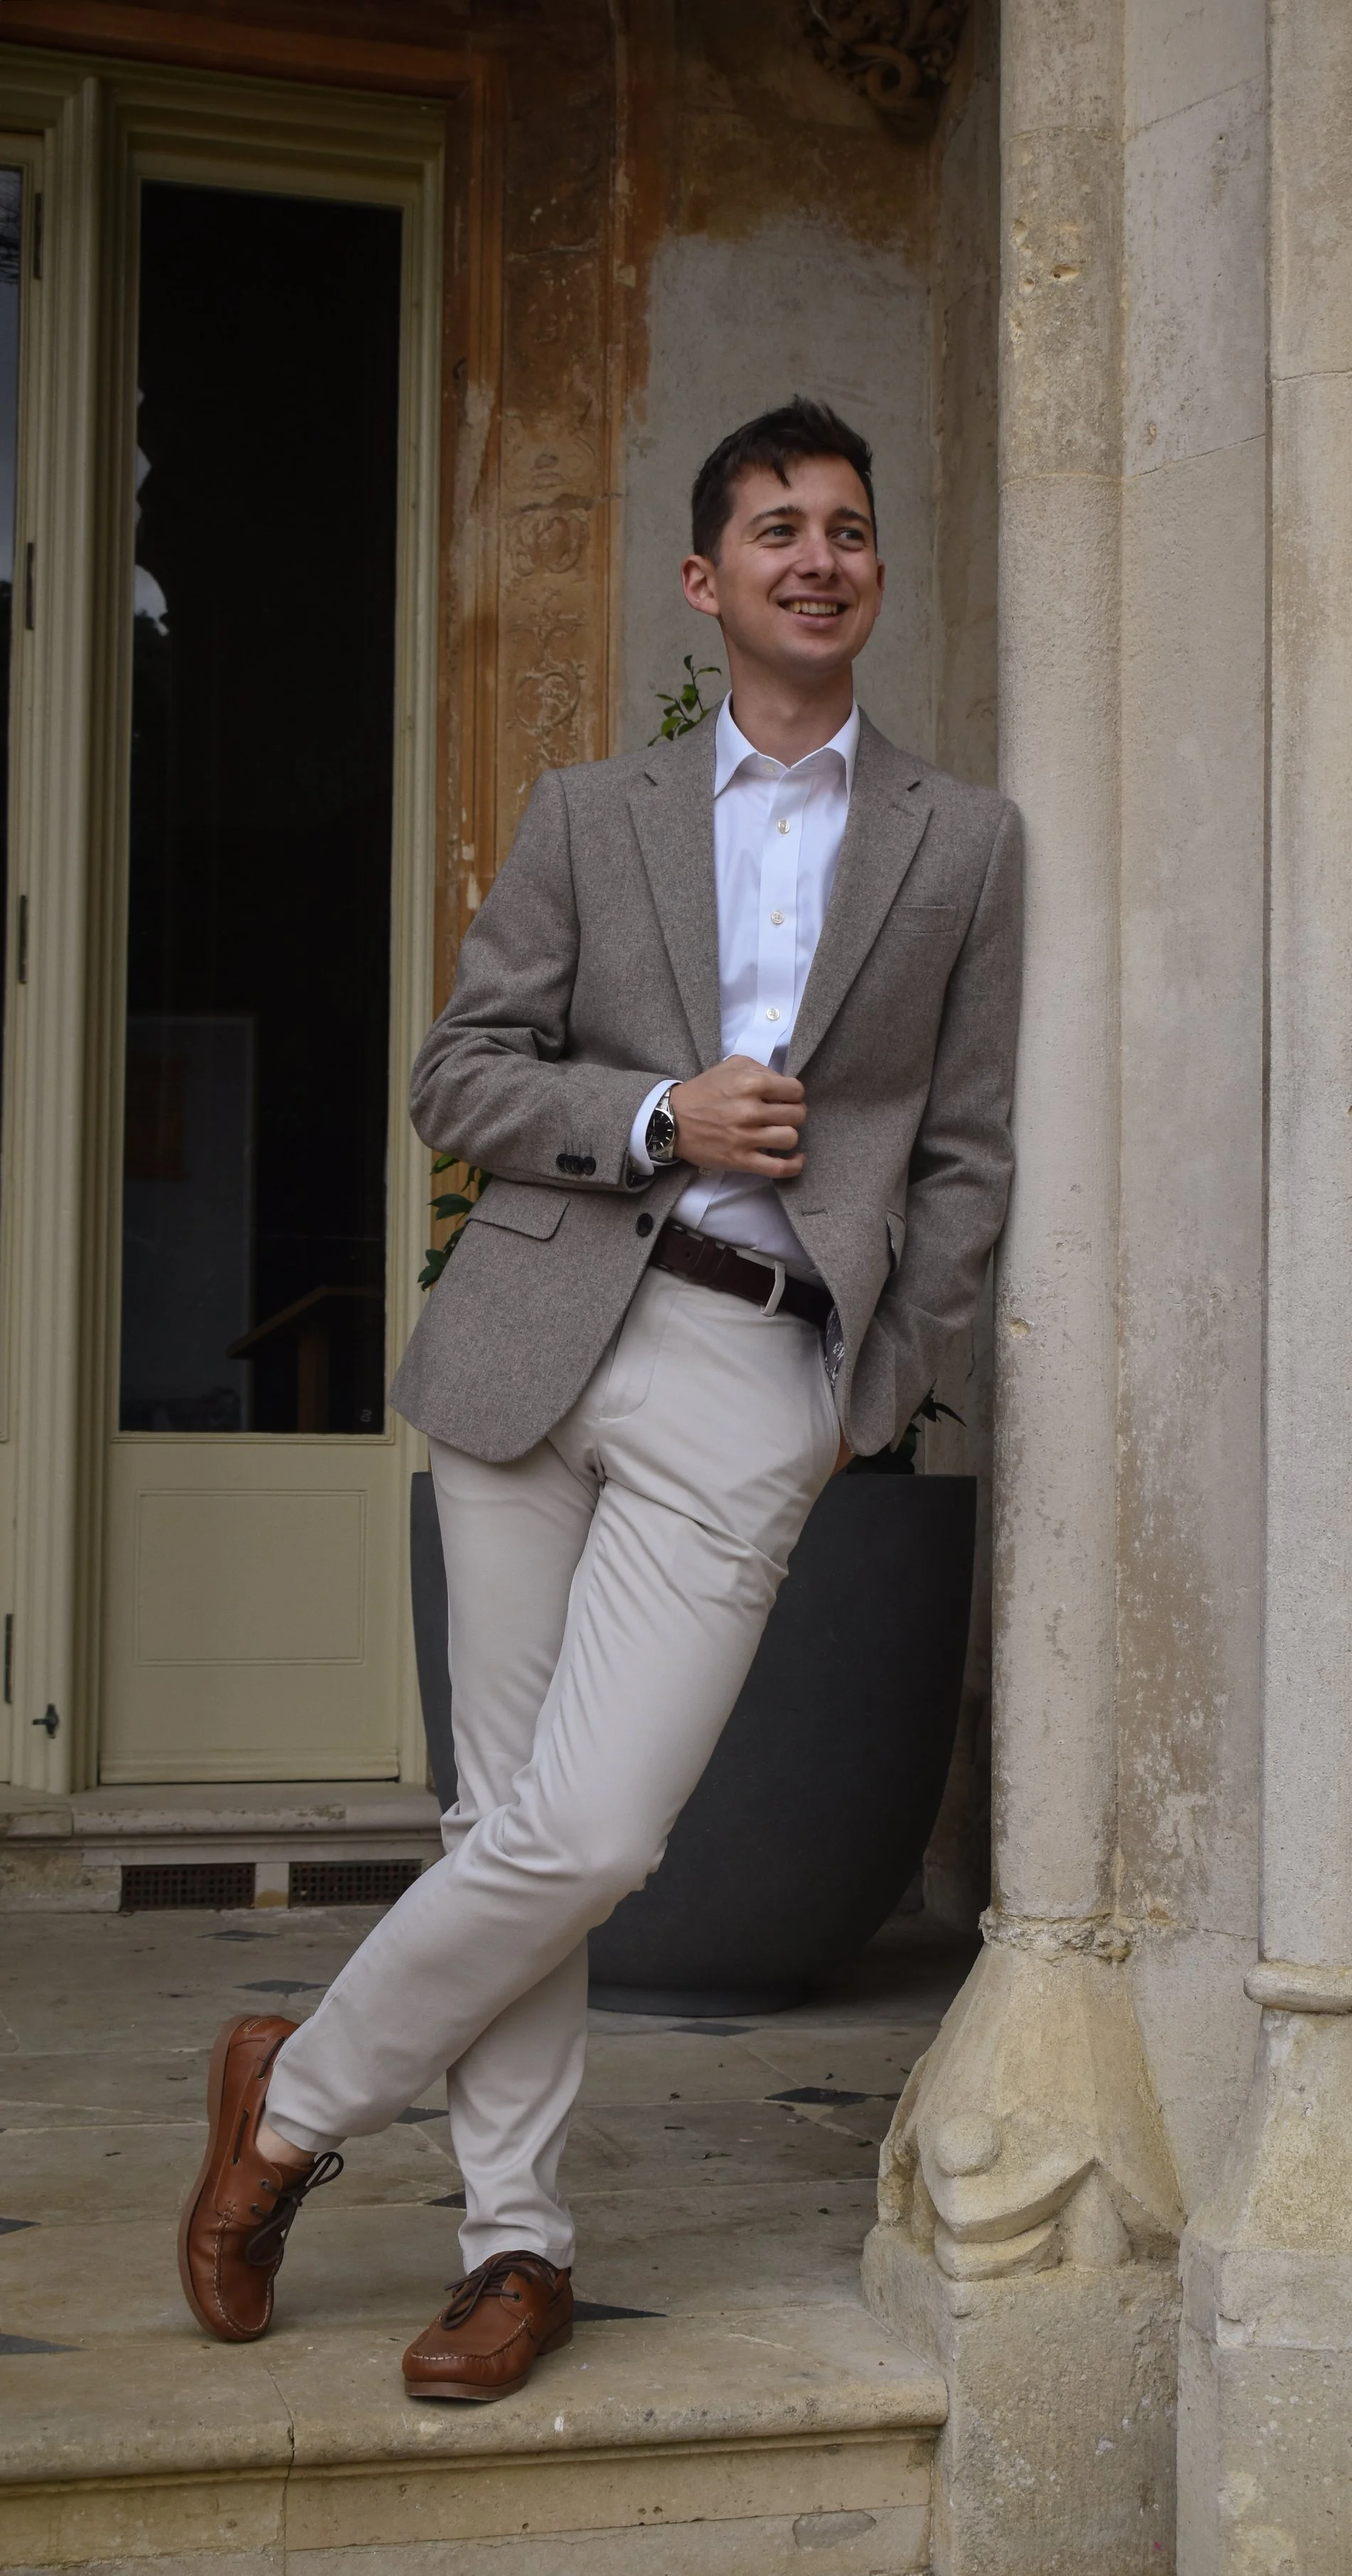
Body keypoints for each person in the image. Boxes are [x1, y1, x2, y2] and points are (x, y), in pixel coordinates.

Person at [176, 397, 1023, 2402]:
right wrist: (655, 1111)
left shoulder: (961, 843)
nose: (818, 555)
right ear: (702, 579)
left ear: (871, 567)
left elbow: (968, 1157)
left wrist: (861, 1392)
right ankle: (514, 2250)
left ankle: (285, 2102)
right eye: (775, 527)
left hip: (754, 1364)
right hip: (532, 1334)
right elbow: (458, 1075)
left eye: (847, 526)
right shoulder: (593, 815)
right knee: (506, 1820)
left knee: (597, 1829)